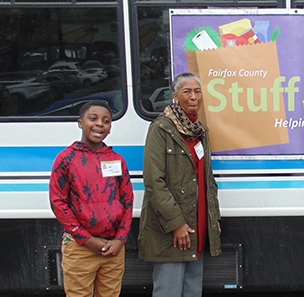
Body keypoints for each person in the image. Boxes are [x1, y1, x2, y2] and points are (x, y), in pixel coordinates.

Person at [138, 72, 222, 297]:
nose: (193, 97)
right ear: (176, 96)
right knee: (169, 292)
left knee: (192, 291)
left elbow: (207, 180)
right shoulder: (161, 129)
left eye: (197, 91)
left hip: (197, 228)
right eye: (187, 92)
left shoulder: (200, 132)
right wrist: (177, 224)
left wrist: (214, 219)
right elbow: (154, 182)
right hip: (172, 231)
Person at [49, 100, 134, 297]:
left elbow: (128, 202)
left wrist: (120, 240)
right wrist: (86, 239)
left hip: (113, 249)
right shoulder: (66, 159)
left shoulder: (116, 160)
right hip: (80, 249)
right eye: (93, 118)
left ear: (110, 128)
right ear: (80, 123)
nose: (99, 124)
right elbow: (58, 203)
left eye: (106, 121)